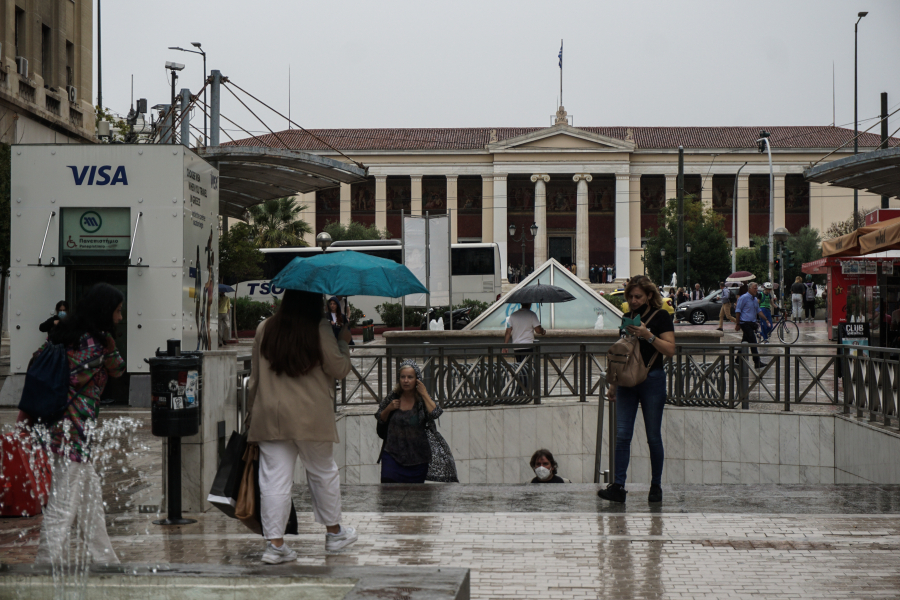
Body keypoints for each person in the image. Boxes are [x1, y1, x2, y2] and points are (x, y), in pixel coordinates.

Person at [246, 289, 357, 563]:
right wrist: (342, 341)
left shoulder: (265, 328)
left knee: (274, 479)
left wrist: (252, 413)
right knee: (322, 471)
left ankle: (275, 545)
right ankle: (334, 533)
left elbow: (255, 379)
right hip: (311, 415)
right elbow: (339, 368)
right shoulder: (319, 328)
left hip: (271, 415)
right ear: (313, 301)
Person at [34, 283, 126, 565]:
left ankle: (105, 560)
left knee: (89, 495)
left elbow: (38, 362)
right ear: (104, 312)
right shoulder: (94, 344)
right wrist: (109, 348)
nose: (120, 318)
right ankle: (45, 562)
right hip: (72, 430)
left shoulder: (62, 336)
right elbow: (118, 370)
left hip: (58, 425)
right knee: (64, 500)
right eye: (117, 311)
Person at [598, 276, 675, 504]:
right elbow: (622, 354)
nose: (633, 300)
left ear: (649, 295)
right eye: (630, 296)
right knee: (622, 435)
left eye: (638, 296)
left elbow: (670, 350)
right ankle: (618, 486)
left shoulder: (661, 316)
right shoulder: (626, 317)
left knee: (653, 436)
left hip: (652, 379)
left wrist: (647, 335)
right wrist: (613, 384)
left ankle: (656, 485)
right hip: (626, 382)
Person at [375, 360, 454, 483]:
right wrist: (389, 408)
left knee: (415, 499)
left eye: (410, 377)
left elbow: (436, 413)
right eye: (403, 377)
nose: (406, 380)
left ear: (417, 380)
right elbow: (380, 418)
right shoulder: (393, 396)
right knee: (388, 494)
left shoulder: (421, 401)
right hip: (392, 456)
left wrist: (424, 393)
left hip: (417, 460)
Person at [503, 303, 546, 393]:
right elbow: (538, 330)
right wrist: (542, 331)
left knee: (519, 368)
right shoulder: (532, 314)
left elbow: (508, 331)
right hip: (528, 346)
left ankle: (520, 390)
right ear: (529, 304)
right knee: (527, 369)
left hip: (516, 346)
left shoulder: (513, 315)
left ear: (521, 304)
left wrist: (505, 346)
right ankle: (525, 390)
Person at [735, 282, 770, 369]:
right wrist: (737, 323)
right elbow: (738, 310)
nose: (756, 290)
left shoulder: (754, 299)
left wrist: (766, 319)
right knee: (753, 341)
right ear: (749, 289)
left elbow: (758, 310)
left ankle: (737, 359)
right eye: (755, 288)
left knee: (744, 341)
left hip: (752, 323)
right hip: (745, 323)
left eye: (757, 288)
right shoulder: (743, 298)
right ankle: (757, 361)